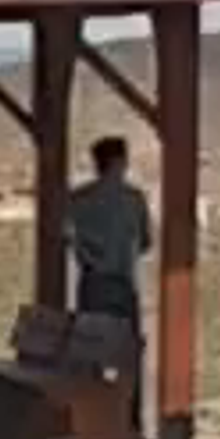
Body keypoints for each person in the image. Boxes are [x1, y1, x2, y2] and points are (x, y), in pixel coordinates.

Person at [67, 129, 153, 372]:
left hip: (92, 284)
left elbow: (64, 235)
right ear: (119, 162)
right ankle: (128, 409)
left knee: (89, 358)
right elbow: (146, 243)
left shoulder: (78, 198)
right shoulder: (135, 199)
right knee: (128, 360)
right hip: (122, 284)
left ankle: (91, 408)